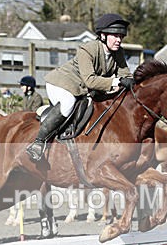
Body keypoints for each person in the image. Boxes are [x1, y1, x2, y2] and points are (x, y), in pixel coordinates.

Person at [26, 13, 135, 162]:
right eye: (115, 36)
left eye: (121, 37)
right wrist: (117, 81)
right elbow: (90, 80)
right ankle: (38, 142)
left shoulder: (119, 52)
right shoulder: (87, 50)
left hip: (82, 88)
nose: (119, 40)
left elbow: (125, 75)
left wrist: (130, 81)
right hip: (62, 83)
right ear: (103, 35)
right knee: (68, 103)